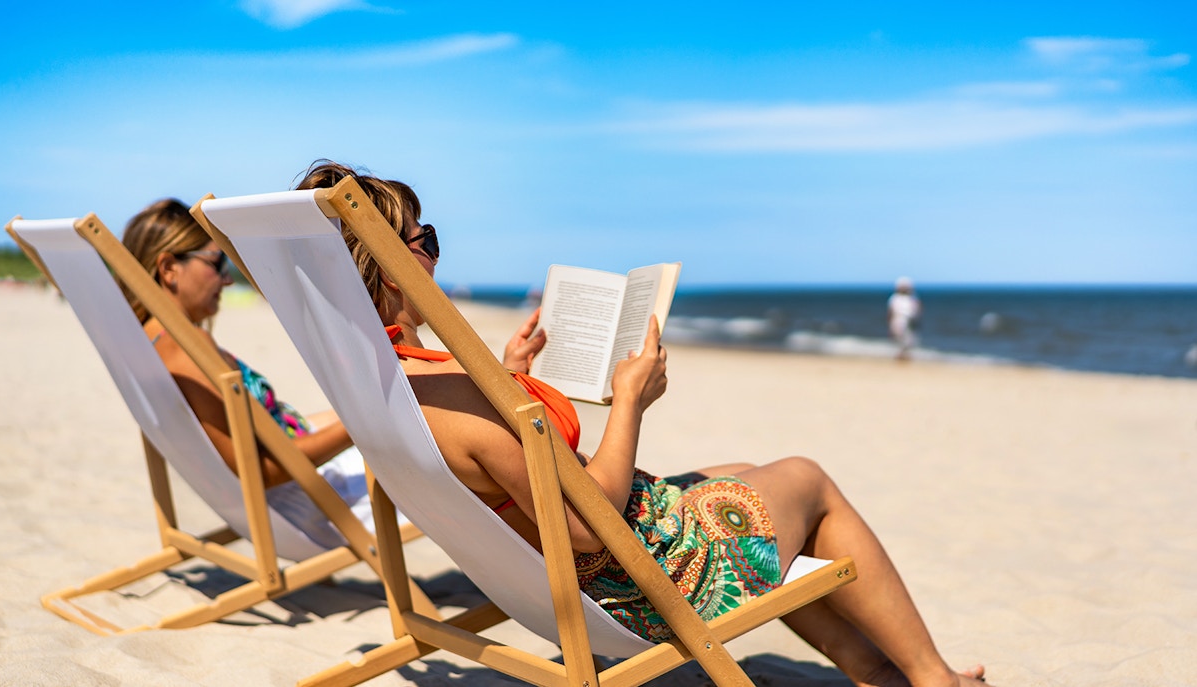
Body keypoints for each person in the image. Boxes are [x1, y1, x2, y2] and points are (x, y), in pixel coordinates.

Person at [295, 160, 988, 687]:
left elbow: (499, 468)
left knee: (742, 475)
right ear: (390, 268)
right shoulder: (451, 396)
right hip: (630, 585)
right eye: (427, 240)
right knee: (806, 479)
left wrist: (508, 372)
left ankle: (868, 664)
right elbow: (588, 527)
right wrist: (630, 401)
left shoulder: (384, 379)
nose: (436, 255)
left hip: (547, 572)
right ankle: (933, 677)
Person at [118, 198, 372, 549]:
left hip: (295, 470)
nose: (225, 278)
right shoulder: (186, 351)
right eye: (215, 261)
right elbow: (257, 470)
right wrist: (364, 426)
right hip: (306, 500)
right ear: (168, 268)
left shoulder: (146, 343)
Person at [888, 276, 923, 362]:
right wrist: (891, 324)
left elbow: (918, 309)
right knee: (900, 340)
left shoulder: (912, 298)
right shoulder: (895, 298)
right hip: (899, 320)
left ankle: (905, 356)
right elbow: (891, 312)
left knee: (909, 340)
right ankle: (900, 357)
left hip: (910, 321)